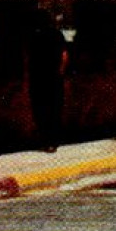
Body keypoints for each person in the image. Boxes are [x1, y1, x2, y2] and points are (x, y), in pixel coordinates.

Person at [27, 15, 70, 152]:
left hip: (39, 78)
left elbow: (28, 58)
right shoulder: (57, 34)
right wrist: (60, 73)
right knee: (54, 110)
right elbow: (64, 56)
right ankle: (53, 141)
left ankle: (46, 140)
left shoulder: (34, 36)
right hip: (54, 78)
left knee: (41, 110)